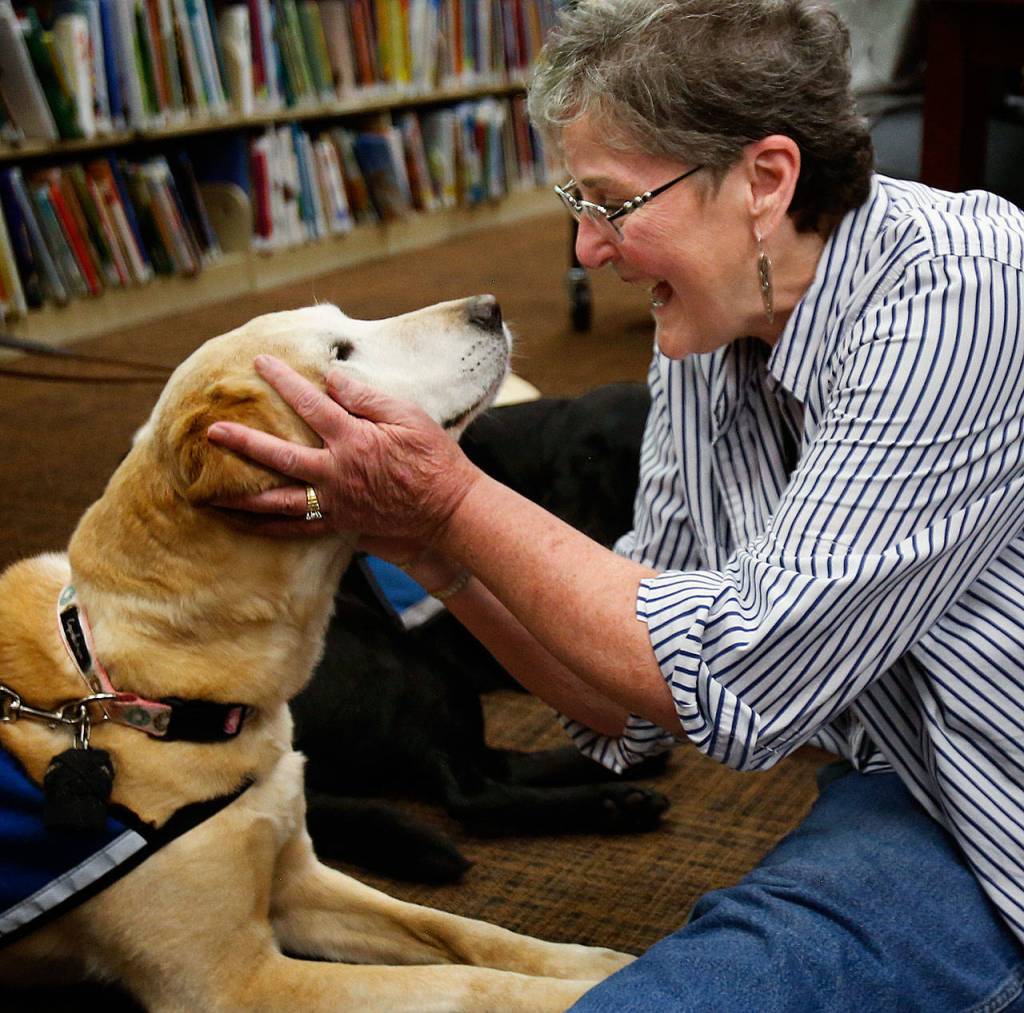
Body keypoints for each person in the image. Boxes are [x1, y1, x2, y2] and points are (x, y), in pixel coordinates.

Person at [208, 0, 1024, 1007]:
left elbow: (740, 669)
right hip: (915, 769)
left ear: (764, 180)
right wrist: (433, 549)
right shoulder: (715, 325)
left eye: (609, 202)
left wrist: (454, 498)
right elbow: (627, 703)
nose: (588, 250)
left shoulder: (960, 290)